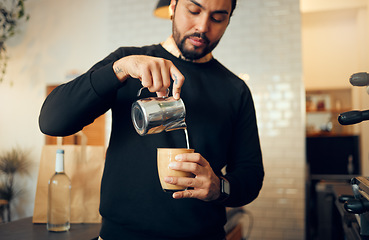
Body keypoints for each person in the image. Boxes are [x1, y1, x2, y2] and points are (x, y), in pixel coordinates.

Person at [39, 0, 264, 239]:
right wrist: (119, 69)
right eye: (194, 10)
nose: (202, 26)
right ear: (173, 6)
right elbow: (52, 121)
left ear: (229, 20)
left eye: (218, 18)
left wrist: (220, 188)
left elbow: (250, 177)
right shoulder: (129, 62)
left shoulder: (235, 90)